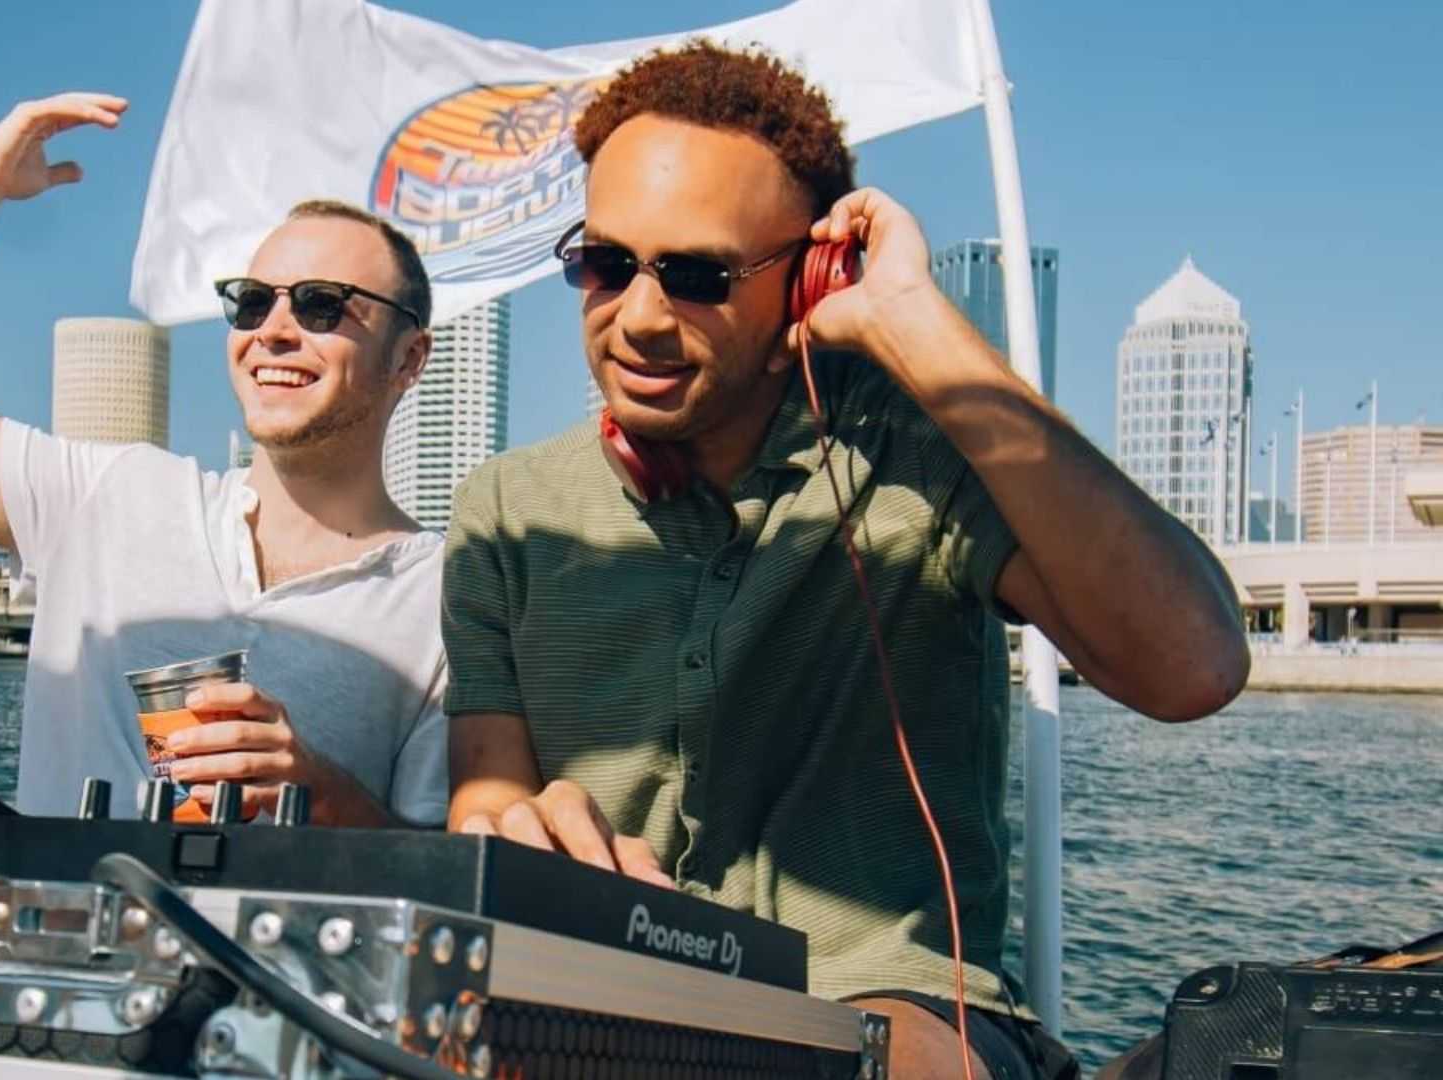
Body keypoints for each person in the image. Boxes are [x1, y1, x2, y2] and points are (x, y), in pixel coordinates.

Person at [441, 44, 1249, 1079]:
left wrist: (911, 319)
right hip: (592, 1009)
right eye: (604, 265)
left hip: (896, 1019)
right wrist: (512, 826)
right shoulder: (507, 510)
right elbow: (483, 795)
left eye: (697, 277)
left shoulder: (927, 458)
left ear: (811, 276)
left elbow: (1194, 667)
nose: (638, 318)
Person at [0, 92, 448, 826]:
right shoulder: (108, 495)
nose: (275, 331)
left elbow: (439, 870)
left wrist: (317, 793)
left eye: (323, 305)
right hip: (55, 938)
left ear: (409, 358)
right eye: (252, 303)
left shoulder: (445, 602)